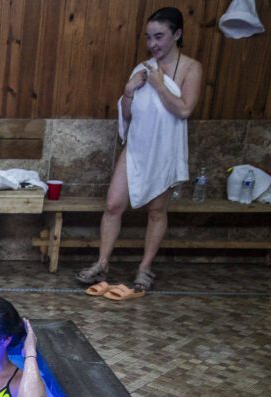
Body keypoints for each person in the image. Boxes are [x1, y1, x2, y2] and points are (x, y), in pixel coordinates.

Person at [76, 7, 202, 297]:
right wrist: (129, 90)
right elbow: (128, 115)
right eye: (148, 38)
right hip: (137, 147)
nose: (152, 44)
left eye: (159, 37)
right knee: (113, 205)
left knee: (157, 211)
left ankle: (145, 268)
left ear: (177, 34)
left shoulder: (190, 69)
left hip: (165, 151)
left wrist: (158, 85)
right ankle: (102, 263)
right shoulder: (142, 67)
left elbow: (185, 109)